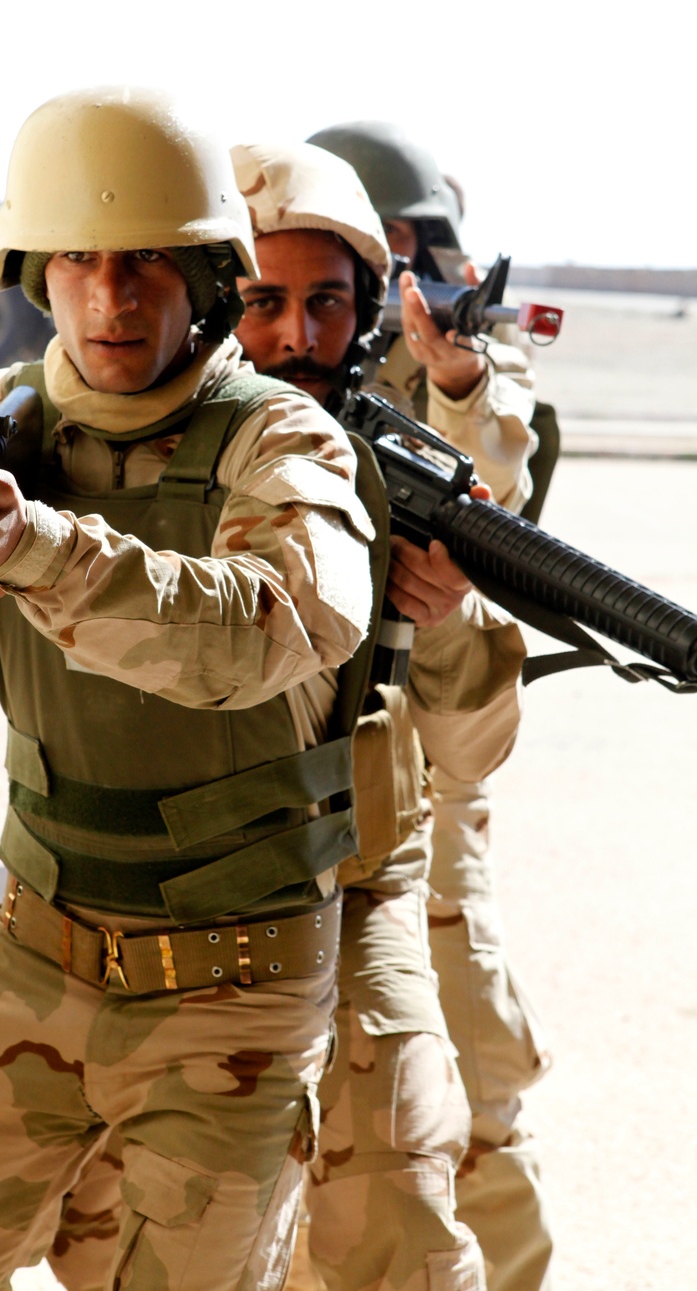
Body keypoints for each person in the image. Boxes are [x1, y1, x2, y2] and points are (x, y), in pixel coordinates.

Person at [0, 85, 384, 1291]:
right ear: (37, 275)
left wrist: (33, 551)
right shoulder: (3, 436)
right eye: (78, 259)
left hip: (233, 987)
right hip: (40, 948)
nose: (111, 297)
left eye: (145, 263)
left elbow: (277, 627)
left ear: (207, 278)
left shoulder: (280, 440)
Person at [42, 141, 530, 1291]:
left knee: (410, 1215)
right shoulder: (120, 448)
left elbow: (470, 750)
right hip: (168, 905)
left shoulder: (392, 467)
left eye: (325, 303)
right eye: (261, 301)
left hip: (356, 887)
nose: (294, 337)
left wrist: (445, 619)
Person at [309, 120, 554, 1291]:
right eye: (374, 247)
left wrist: (453, 378)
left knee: (477, 1109)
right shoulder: (284, 355)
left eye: (415, 243)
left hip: (431, 778)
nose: (397, 269)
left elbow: (505, 485)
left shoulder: (463, 370)